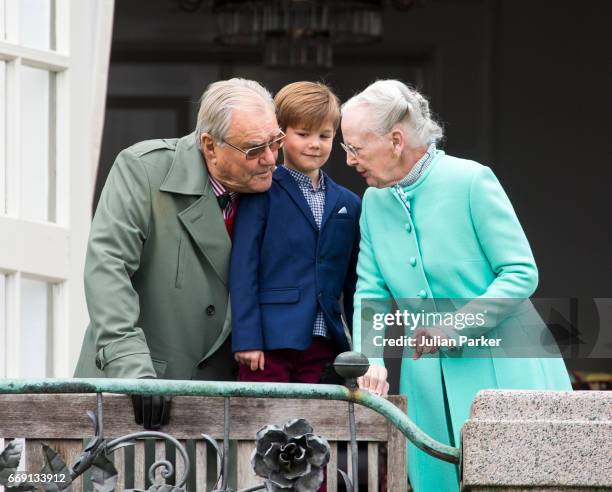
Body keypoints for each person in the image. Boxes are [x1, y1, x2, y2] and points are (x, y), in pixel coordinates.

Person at [340, 79, 572, 491]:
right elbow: (371, 292)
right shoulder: (374, 204)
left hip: (506, 371)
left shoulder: (471, 181)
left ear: (395, 140)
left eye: (356, 148)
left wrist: (453, 327)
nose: (349, 160)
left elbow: (520, 272)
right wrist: (370, 359)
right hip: (428, 384)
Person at [74, 78, 284, 429]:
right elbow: (108, 271)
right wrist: (135, 374)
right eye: (253, 149)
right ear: (209, 146)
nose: (271, 159)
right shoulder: (142, 169)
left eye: (275, 142)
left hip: (226, 413)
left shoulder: (282, 192)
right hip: (132, 400)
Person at [230, 81, 360, 385]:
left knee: (313, 427)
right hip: (268, 341)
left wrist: (361, 349)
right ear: (280, 134)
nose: (314, 143)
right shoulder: (260, 191)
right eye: (303, 134)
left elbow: (355, 282)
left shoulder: (348, 203)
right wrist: (247, 338)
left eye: (325, 136)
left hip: (324, 341)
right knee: (262, 426)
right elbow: (243, 268)